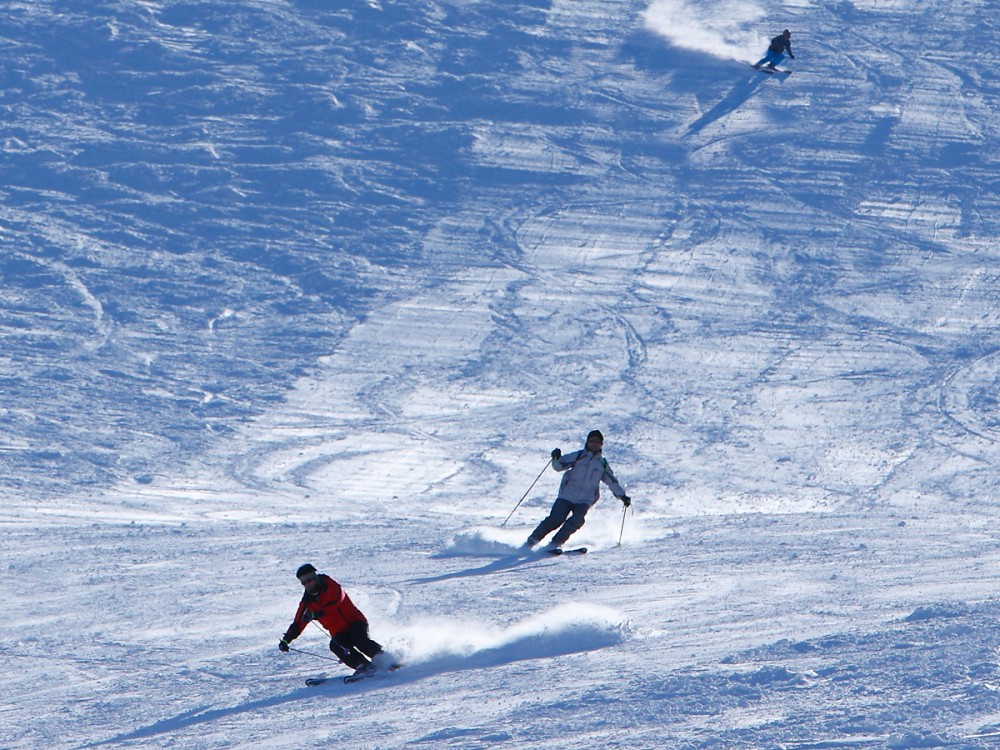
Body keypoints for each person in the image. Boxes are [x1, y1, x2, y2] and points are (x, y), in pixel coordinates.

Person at [524, 429, 631, 552]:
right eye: (592, 441)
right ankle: (532, 540)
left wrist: (622, 496)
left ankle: (555, 544)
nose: (594, 443)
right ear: (587, 442)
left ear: (601, 444)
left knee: (577, 520)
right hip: (567, 495)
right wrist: (556, 457)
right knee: (555, 519)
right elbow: (559, 466)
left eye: (597, 441)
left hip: (585, 499)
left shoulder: (602, 463)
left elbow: (611, 481)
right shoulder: (579, 456)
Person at [278, 563, 389, 677]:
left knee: (360, 640)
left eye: (310, 580)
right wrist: (286, 640)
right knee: (336, 646)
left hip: (355, 621)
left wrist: (318, 613)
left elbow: (336, 600)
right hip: (339, 631)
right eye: (304, 583)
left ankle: (387, 661)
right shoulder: (307, 603)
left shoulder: (330, 585)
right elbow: (298, 623)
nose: (308, 584)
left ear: (315, 577)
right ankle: (364, 666)